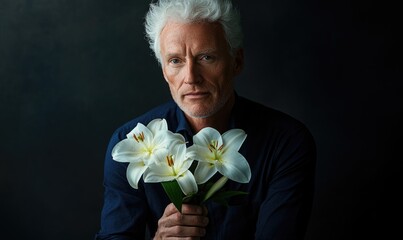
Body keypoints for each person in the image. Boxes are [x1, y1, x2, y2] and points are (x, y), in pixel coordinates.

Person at [95, 0, 316, 239]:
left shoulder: (286, 142)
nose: (190, 77)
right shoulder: (130, 143)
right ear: (163, 70)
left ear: (236, 61)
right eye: (176, 61)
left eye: (206, 57)